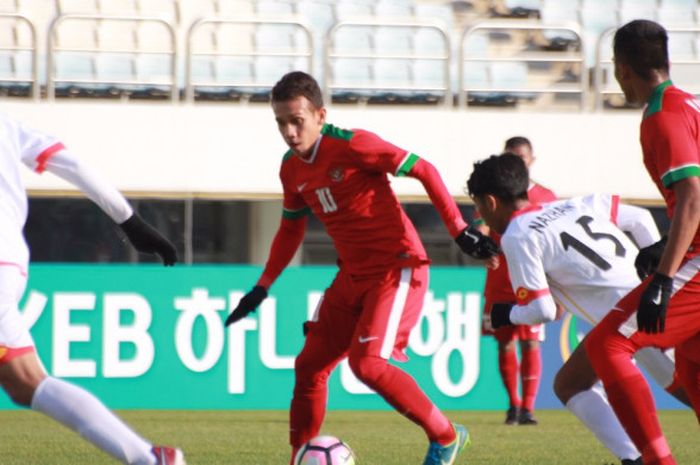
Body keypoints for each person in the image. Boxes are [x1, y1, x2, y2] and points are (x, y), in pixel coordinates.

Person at [224, 71, 499, 465]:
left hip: (397, 267)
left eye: (296, 120)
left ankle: (447, 435)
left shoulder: (354, 145)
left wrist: (458, 229)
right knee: (308, 367)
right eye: (280, 122)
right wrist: (262, 286)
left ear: (320, 115)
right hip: (352, 275)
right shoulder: (291, 169)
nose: (288, 131)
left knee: (367, 365)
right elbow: (290, 229)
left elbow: (424, 169)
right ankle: (299, 459)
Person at [466, 153, 687, 465]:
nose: (479, 215)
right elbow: (639, 219)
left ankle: (643, 459)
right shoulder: (574, 204)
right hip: (648, 304)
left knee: (692, 393)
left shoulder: (517, 234)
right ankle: (634, 459)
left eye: (477, 205)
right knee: (570, 383)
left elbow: (542, 310)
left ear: (489, 201)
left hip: (634, 321)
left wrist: (506, 314)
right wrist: (657, 273)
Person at [0, 112, 185, 465]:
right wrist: (129, 221)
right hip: (9, 262)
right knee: (24, 382)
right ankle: (149, 458)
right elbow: (72, 163)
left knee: (27, 380)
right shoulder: (7, 125)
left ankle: (149, 459)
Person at [583, 19, 700, 465]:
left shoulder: (662, 116)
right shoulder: (689, 103)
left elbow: (692, 194)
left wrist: (663, 278)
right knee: (692, 367)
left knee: (607, 345)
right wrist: (669, 239)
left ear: (622, 68)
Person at [475, 136, 556, 425]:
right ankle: (513, 405)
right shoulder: (492, 195)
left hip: (531, 279)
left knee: (531, 343)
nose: (518, 161)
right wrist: (481, 246)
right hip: (500, 279)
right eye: (511, 156)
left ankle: (529, 408)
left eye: (522, 157)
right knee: (505, 343)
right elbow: (482, 225)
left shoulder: (546, 197)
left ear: (531, 160)